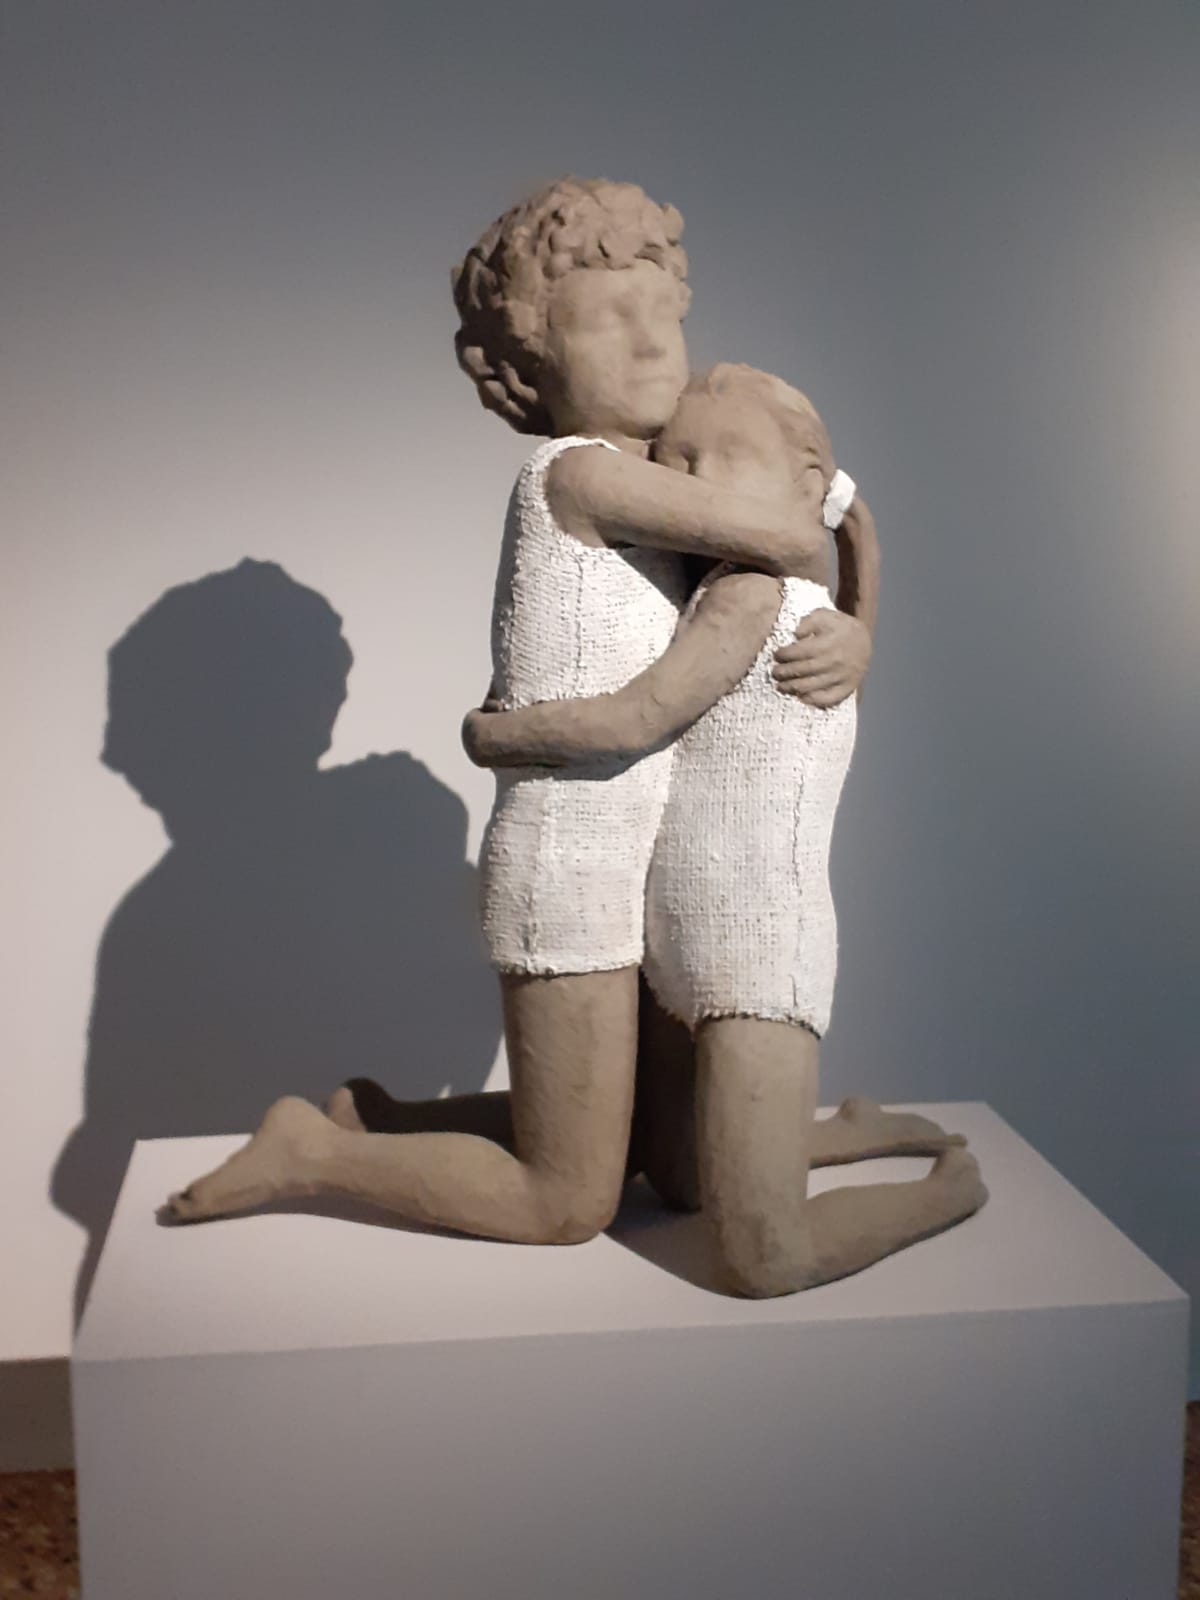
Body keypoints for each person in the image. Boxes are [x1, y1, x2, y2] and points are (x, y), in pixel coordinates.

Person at [163, 180, 979, 1293]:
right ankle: (315, 1151)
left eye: (665, 316)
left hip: (644, 867)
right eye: (607, 321)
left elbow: (770, 602)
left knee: (654, 1145)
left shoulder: (666, 507)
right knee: (569, 1199)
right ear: (531, 362)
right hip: (570, 860)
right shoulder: (582, 474)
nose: (651, 347)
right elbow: (789, 536)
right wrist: (498, 734)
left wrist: (857, 635)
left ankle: (384, 1120)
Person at [460, 363, 987, 1292]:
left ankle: (949, 1193)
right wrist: (861, 611)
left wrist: (492, 733)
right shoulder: (703, 592)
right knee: (681, 1178)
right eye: (678, 460)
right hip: (668, 950)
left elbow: (636, 720)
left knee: (762, 1256)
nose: (693, 480)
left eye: (723, 458)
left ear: (807, 484)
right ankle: (836, 1135)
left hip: (755, 954)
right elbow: (842, 541)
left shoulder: (749, 596)